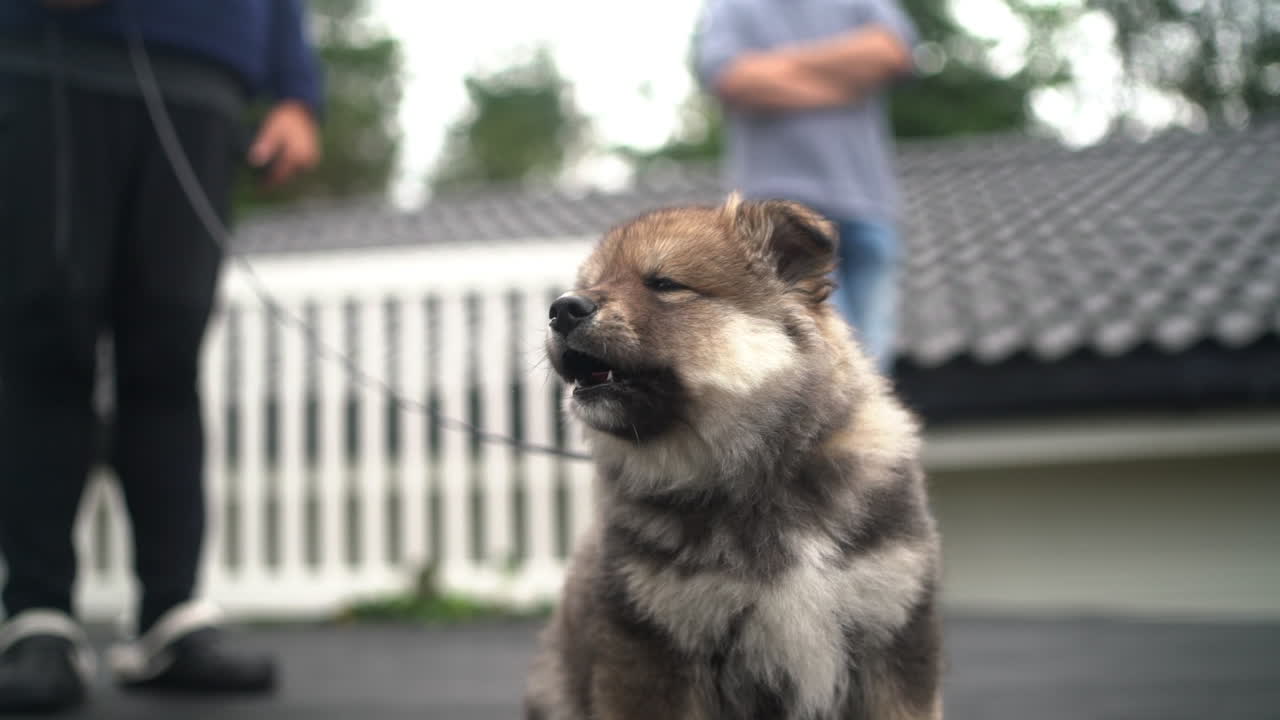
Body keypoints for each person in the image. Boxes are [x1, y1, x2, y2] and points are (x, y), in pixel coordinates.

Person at [0, 0, 322, 711]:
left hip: (202, 78)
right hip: (46, 63)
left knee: (169, 355)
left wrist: (298, 91)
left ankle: (171, 616)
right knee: (44, 341)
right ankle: (38, 616)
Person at [695, 0, 918, 370]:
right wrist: (843, 83)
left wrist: (779, 66)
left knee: (873, 374)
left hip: (869, 206)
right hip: (778, 217)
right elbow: (732, 79)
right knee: (828, 367)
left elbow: (892, 52)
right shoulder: (733, 5)